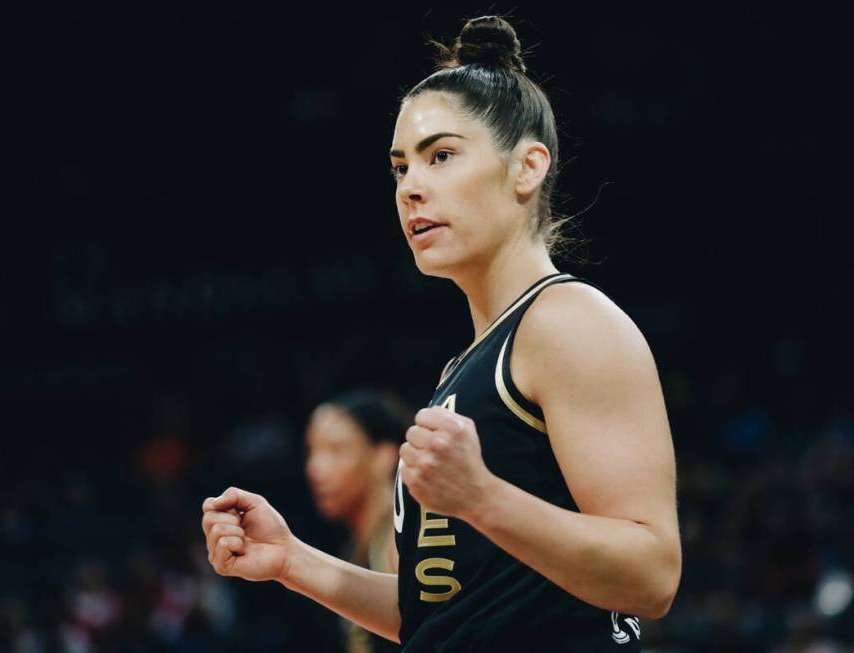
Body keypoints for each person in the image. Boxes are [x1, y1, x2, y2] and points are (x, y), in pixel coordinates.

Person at [201, 14, 681, 652]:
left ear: (527, 168)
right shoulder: (463, 367)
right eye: (400, 169)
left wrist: (481, 497)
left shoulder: (569, 323)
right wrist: (294, 561)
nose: (411, 188)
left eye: (442, 156)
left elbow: (651, 574)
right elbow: (444, 617)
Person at [303, 389, 408, 653]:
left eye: (335, 450)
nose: (315, 468)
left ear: (384, 455)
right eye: (311, 451)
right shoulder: (357, 545)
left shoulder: (398, 540)